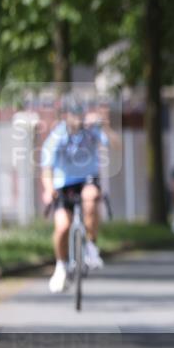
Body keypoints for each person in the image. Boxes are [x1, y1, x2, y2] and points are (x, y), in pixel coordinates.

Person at [41, 98, 116, 292]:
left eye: (80, 115)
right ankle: (60, 266)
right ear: (65, 116)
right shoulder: (57, 136)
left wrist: (105, 125)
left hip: (87, 178)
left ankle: (91, 246)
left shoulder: (91, 131)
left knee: (90, 199)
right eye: (73, 115)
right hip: (63, 184)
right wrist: (49, 189)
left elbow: (115, 144)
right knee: (62, 227)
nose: (78, 119)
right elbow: (47, 167)